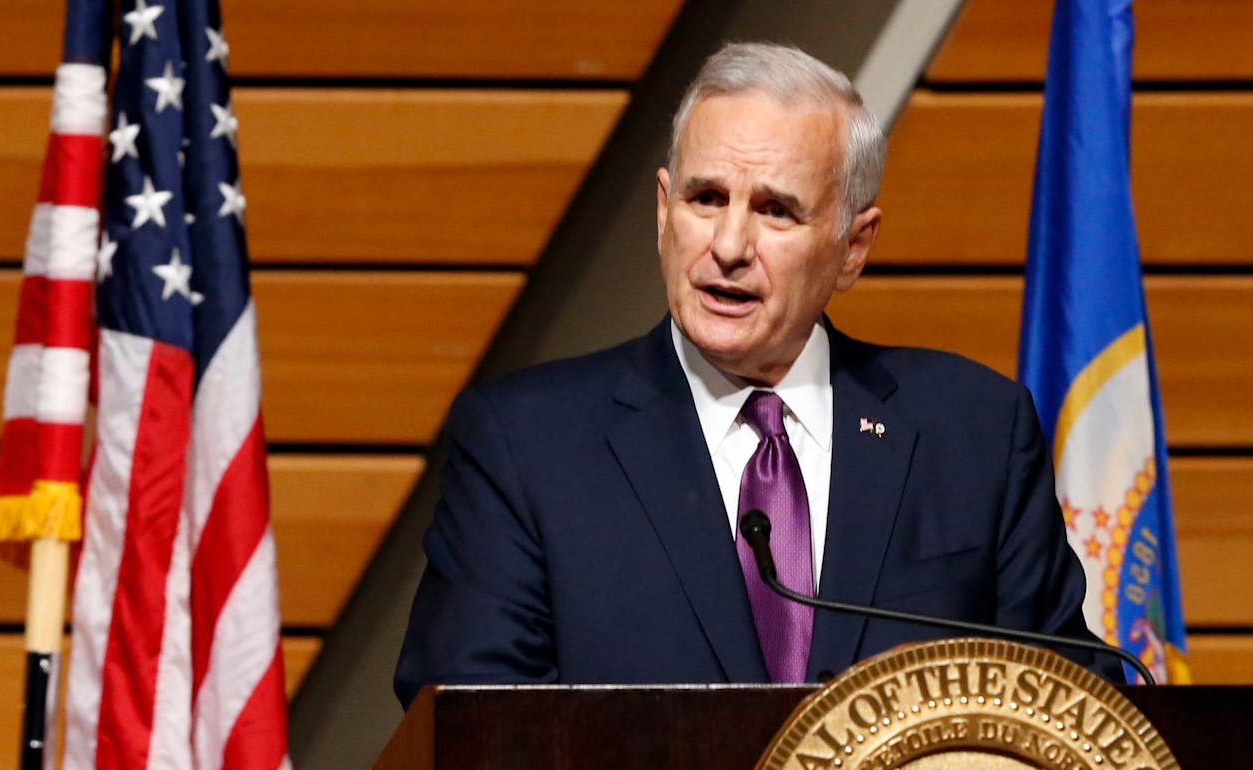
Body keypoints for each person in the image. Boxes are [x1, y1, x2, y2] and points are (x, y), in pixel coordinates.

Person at [395, 42, 1118, 708]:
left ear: (853, 246)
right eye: (706, 198)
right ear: (662, 211)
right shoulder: (527, 445)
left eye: (776, 211)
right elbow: (467, 740)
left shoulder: (975, 435)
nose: (730, 246)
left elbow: (1073, 711)